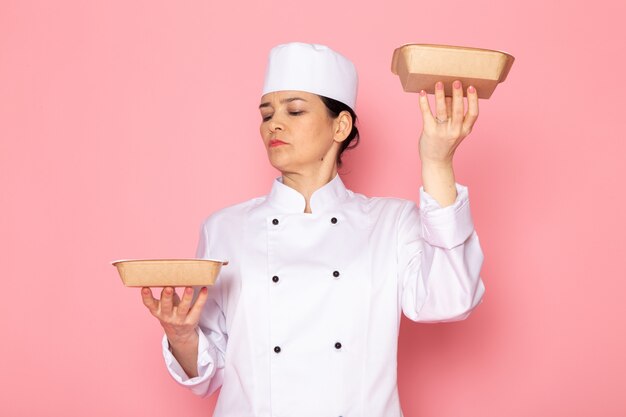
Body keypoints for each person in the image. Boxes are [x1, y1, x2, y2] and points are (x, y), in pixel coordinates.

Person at [140, 42, 485, 417]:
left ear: (340, 125)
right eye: (266, 113)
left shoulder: (390, 222)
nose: (274, 123)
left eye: (295, 110)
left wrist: (437, 162)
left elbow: (451, 299)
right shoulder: (225, 228)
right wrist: (181, 335)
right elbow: (209, 373)